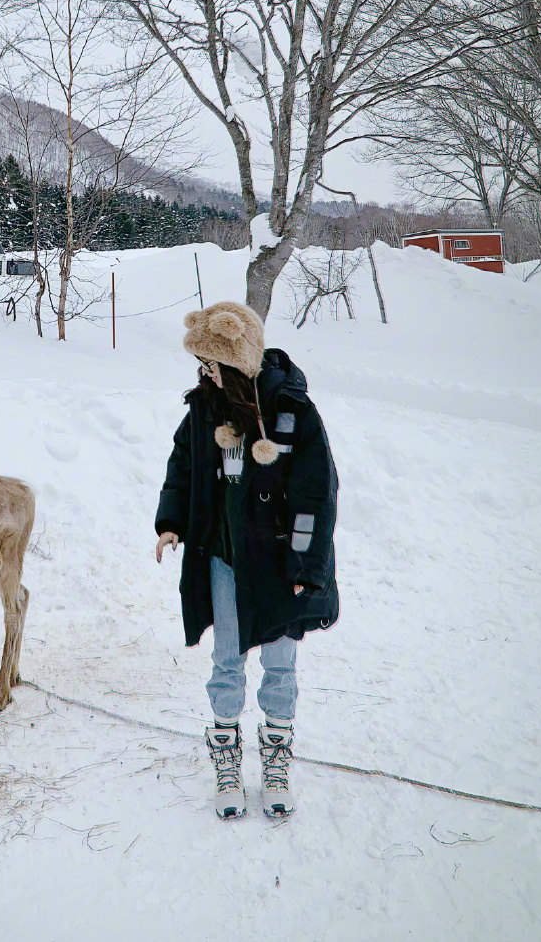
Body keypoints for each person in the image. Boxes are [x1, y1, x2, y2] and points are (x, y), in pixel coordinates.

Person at [154, 300, 339, 820]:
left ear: (236, 361)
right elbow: (182, 467)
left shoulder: (290, 408)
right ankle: (228, 763)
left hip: (279, 563)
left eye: (211, 363)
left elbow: (317, 493)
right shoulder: (204, 407)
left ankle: (276, 763)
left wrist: (306, 566)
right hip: (223, 559)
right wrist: (171, 522)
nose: (204, 373)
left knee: (280, 661)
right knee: (227, 659)